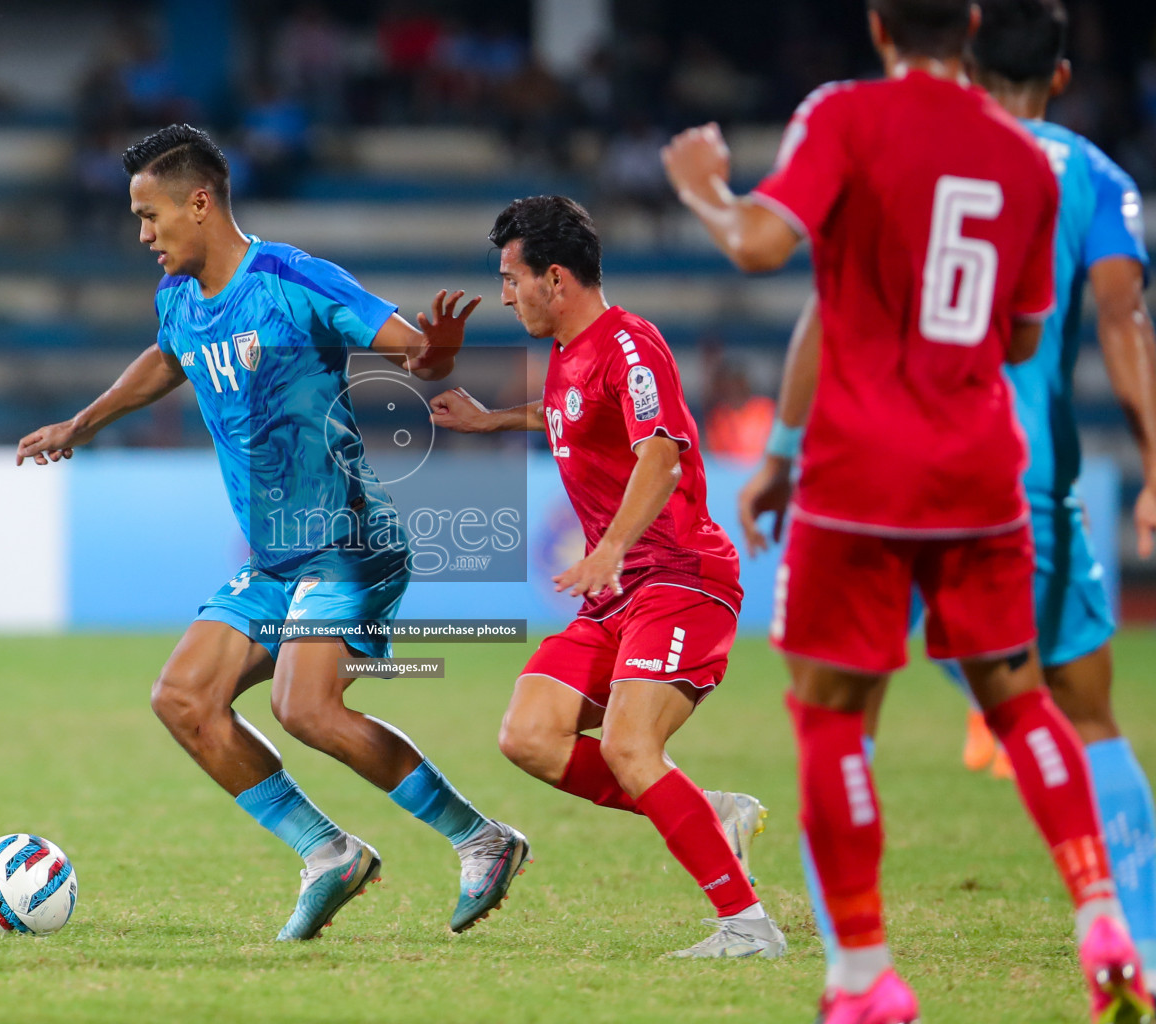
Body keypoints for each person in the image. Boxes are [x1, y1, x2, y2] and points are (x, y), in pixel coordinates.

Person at [661, 0, 1148, 1020]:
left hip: (859, 475)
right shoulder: (1024, 160)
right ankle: (1102, 910)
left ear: (880, 25)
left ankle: (861, 976)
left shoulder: (844, 115)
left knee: (832, 719)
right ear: (965, 26)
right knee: (1023, 700)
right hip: (982, 474)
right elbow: (1022, 339)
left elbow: (758, 245)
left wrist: (705, 189)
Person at [16, 124, 528, 941]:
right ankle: (328, 854)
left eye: (150, 216)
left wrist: (436, 353)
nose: (143, 235)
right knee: (183, 699)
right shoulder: (180, 297)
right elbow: (167, 357)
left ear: (200, 201)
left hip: (350, 541)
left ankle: (484, 840)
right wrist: (81, 422)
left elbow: (413, 348)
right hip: (278, 559)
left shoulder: (292, 278)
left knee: (305, 707)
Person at [428, 195, 786, 960]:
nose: (504, 293)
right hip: (621, 595)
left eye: (511, 277)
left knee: (628, 746)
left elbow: (662, 451)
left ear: (554, 278)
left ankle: (748, 927)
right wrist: (493, 420)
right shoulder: (568, 354)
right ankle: (705, 810)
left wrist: (612, 546)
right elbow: (568, 414)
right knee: (528, 734)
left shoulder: (630, 344)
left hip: (680, 579)